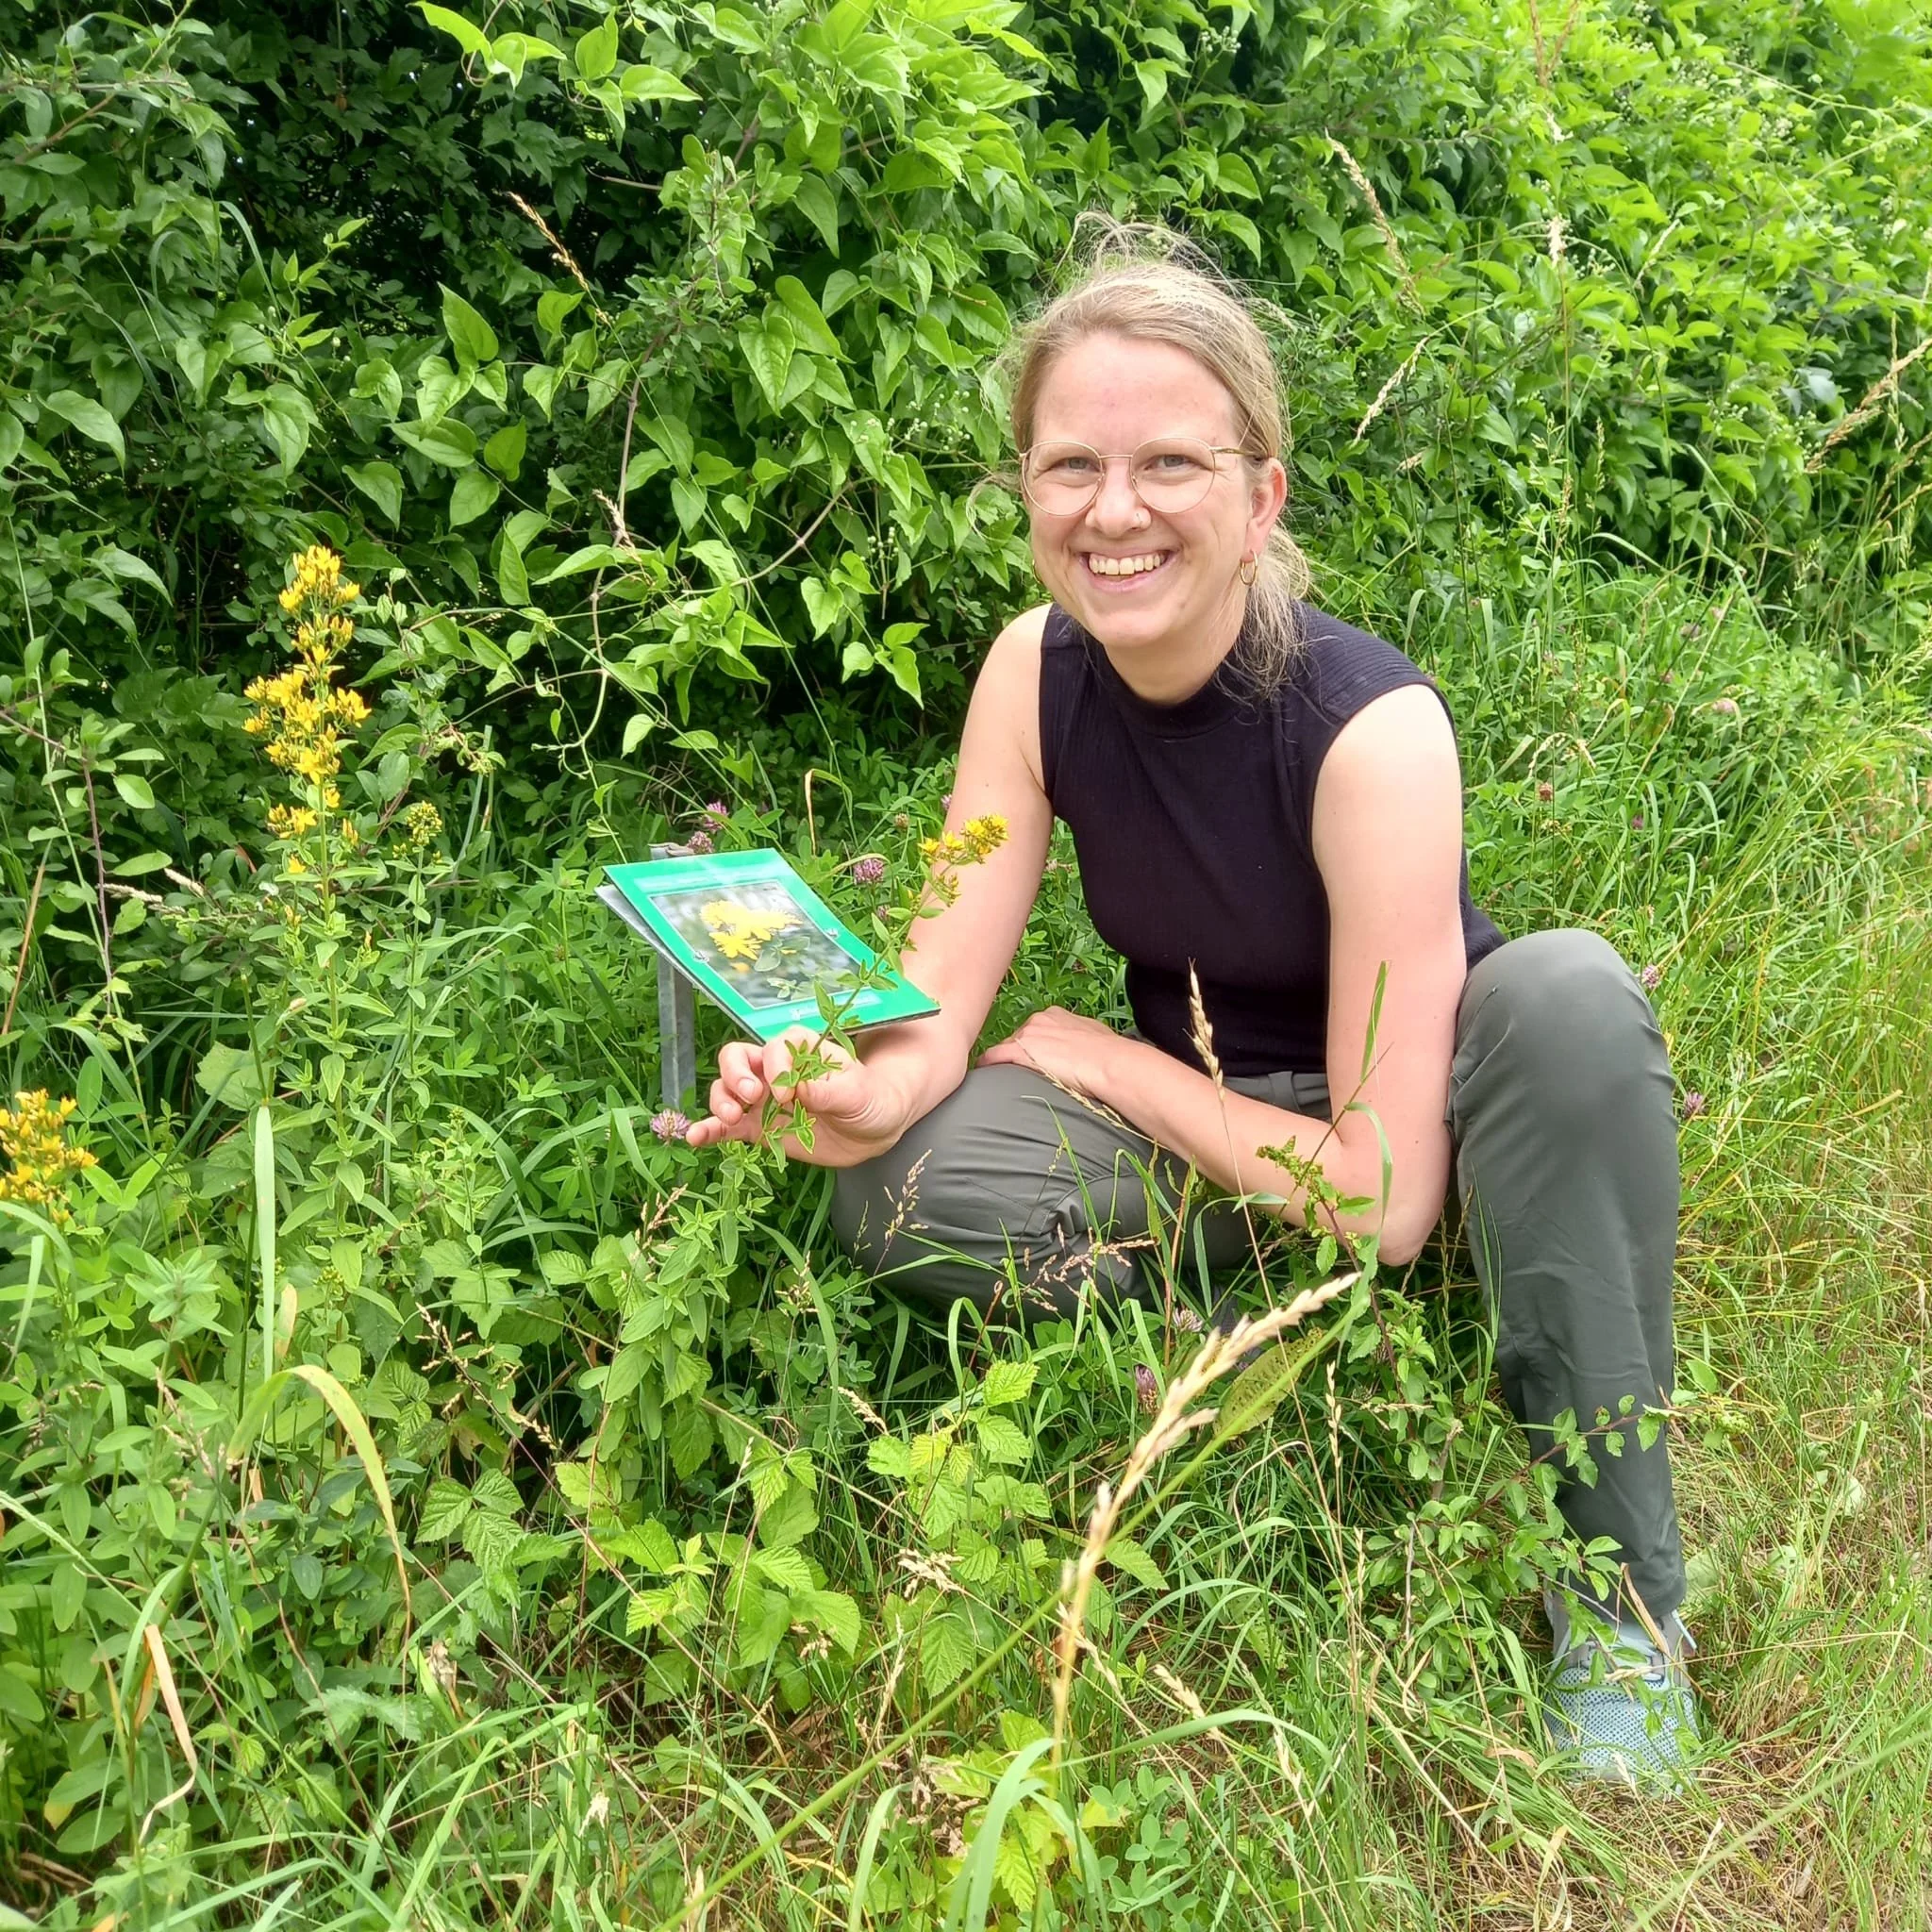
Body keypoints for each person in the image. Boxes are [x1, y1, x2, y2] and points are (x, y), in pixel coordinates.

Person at [685, 237, 1697, 1786]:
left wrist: (1108, 1062)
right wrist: (851, 1093)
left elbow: (1380, 1196)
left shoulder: (1371, 727)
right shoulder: (1031, 671)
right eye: (1069, 465)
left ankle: (1620, 1594)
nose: (1114, 511)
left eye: (1170, 463)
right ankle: (1282, 1381)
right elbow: (934, 1009)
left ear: (1260, 496)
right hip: (1232, 1134)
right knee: (901, 1190)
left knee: (1567, 998)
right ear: (1024, 489)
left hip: (1424, 1124)